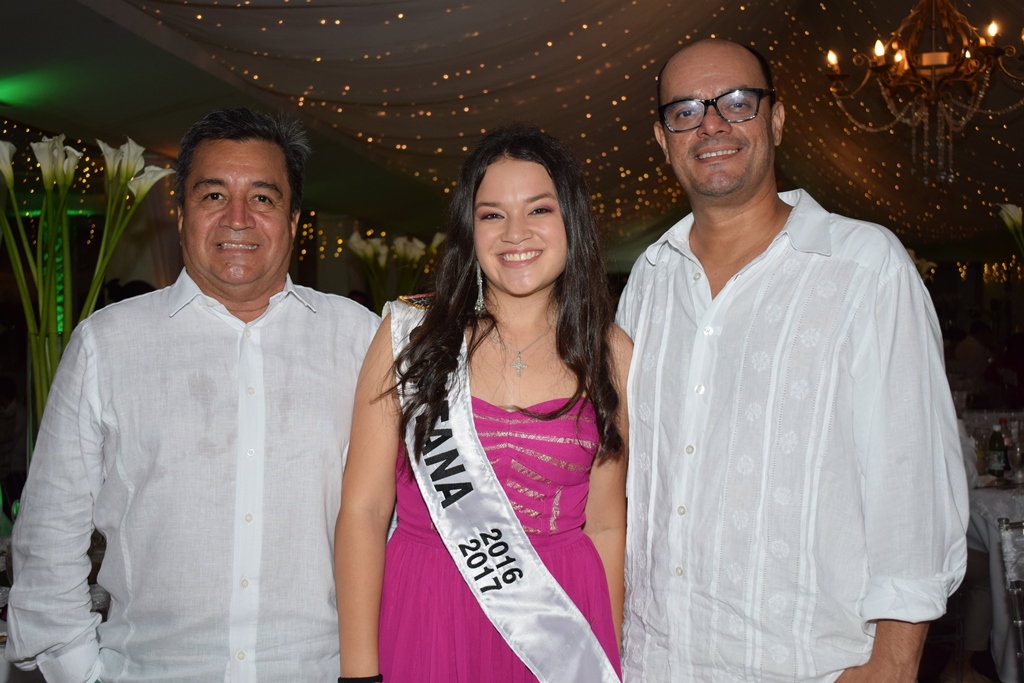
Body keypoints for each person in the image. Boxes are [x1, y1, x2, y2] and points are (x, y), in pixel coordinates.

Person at [615, 39, 969, 682]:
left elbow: (909, 474)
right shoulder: (649, 279)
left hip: (807, 665)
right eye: (686, 109)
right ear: (663, 138)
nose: (712, 123)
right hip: (654, 661)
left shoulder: (864, 267)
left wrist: (892, 665)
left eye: (738, 102)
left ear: (775, 119)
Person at [5, 108, 379, 682]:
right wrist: (80, 671)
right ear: (181, 214)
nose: (237, 218)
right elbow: (49, 533)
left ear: (294, 218)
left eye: (262, 198)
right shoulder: (108, 344)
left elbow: (402, 521)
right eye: (212, 196)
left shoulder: (361, 340)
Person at [336, 124, 631, 683]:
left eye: (539, 209)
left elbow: (606, 526)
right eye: (492, 213)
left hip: (559, 627)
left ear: (571, 220)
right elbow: (364, 511)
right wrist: (358, 673)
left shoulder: (611, 353)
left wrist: (603, 661)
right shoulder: (409, 336)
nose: (514, 232)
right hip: (426, 610)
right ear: (469, 230)